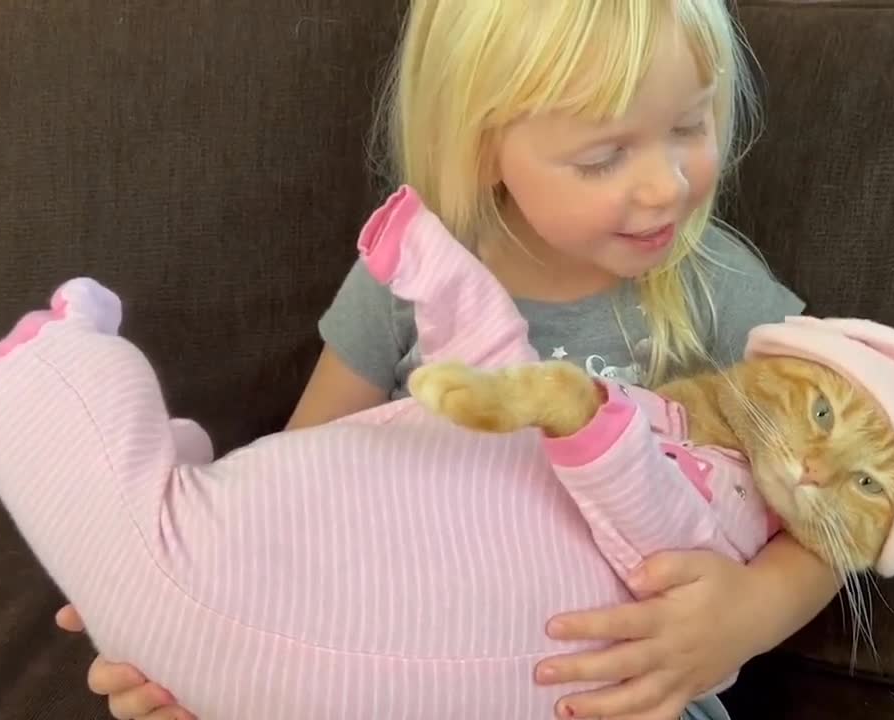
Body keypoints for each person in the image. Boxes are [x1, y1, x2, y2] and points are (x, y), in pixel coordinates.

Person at [54, 1, 841, 718]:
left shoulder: (720, 289)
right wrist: (181, 614)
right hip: (397, 668)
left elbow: (847, 504)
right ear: (484, 147)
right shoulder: (408, 277)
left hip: (614, 692)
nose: (666, 187)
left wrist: (746, 615)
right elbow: (295, 486)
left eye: (690, 126)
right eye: (604, 157)